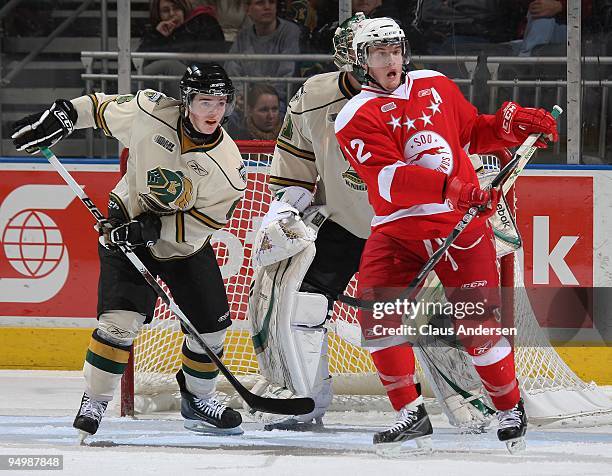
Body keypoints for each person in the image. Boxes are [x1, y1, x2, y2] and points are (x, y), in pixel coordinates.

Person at [334, 18, 558, 453]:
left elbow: (473, 131)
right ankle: (410, 414)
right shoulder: (352, 116)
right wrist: (457, 189)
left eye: (396, 51)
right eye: (380, 54)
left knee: (478, 323)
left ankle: (510, 407)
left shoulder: (434, 83)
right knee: (380, 319)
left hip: (460, 226)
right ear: (362, 62)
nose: (391, 60)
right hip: (397, 230)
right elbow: (388, 180)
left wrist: (513, 127)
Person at [12, 63, 247, 439]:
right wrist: (63, 115)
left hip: (182, 246)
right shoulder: (149, 112)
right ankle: (95, 399)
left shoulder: (229, 166)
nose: (214, 112)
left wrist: (152, 230)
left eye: (221, 102)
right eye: (205, 102)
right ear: (186, 100)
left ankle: (198, 398)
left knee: (212, 329)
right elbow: (99, 107)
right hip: (124, 229)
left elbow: (203, 224)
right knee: (118, 325)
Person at [247, 12, 370, 429]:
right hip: (343, 221)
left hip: (406, 224)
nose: (383, 62)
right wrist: (286, 208)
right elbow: (294, 166)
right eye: (370, 53)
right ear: (348, 58)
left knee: (446, 307)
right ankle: (306, 398)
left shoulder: (418, 93)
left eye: (389, 52)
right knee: (301, 304)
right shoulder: (316, 95)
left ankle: (476, 396)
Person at [139, 0, 226, 98]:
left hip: (202, 78)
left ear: (183, 8)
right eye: (166, 10)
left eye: (176, 8)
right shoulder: (161, 29)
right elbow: (140, 60)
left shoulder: (202, 21)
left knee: (168, 65)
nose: (172, 14)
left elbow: (200, 57)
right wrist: (158, 35)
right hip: (172, 82)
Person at [224, 0, 301, 109]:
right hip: (248, 102)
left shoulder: (290, 32)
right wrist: (240, 96)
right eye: (260, 3)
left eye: (272, 2)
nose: (267, 7)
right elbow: (232, 71)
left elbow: (287, 75)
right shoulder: (243, 36)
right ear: (247, 9)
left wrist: (261, 100)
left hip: (280, 101)